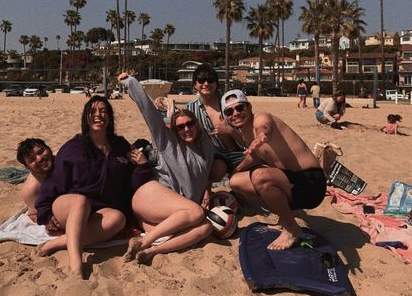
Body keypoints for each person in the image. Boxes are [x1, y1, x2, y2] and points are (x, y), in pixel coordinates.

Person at [35, 96, 154, 277]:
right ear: (86, 117)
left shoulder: (120, 145)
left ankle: (58, 243)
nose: (98, 115)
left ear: (110, 117)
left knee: (118, 219)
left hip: (100, 212)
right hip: (69, 206)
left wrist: (143, 165)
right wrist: (46, 213)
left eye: (103, 111)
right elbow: (53, 182)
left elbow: (132, 185)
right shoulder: (73, 147)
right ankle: (76, 265)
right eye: (93, 111)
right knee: (81, 202)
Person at [118, 72, 215, 265]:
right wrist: (130, 82)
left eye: (190, 124)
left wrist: (208, 192)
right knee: (196, 213)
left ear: (197, 125)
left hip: (170, 217)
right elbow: (148, 111)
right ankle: (144, 242)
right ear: (174, 130)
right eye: (180, 127)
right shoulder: (167, 143)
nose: (186, 129)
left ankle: (152, 251)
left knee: (205, 228)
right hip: (150, 199)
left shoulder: (207, 148)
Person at [222, 90, 326, 250]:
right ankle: (284, 219)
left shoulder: (260, 119)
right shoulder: (245, 132)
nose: (235, 114)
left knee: (260, 176)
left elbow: (265, 128)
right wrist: (236, 170)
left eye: (240, 108)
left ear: (249, 107)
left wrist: (262, 136)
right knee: (235, 182)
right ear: (226, 116)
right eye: (229, 111)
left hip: (311, 182)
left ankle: (291, 228)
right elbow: (255, 156)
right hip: (291, 183)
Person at [186, 63, 245, 177]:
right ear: (195, 84)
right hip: (214, 157)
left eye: (211, 80)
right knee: (215, 169)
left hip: (241, 153)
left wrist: (230, 131)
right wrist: (160, 102)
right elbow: (173, 121)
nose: (206, 84)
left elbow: (248, 137)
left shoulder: (231, 103)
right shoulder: (190, 109)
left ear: (217, 83)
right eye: (201, 80)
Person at [17, 138, 55, 223]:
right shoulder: (31, 190)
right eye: (32, 160)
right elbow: (35, 215)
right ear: (27, 167)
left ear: (49, 149)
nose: (39, 159)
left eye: (41, 152)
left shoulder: (64, 160)